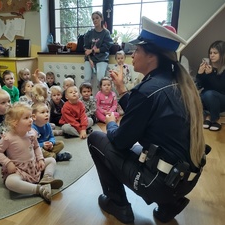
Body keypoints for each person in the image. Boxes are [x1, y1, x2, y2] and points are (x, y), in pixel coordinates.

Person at [87, 16, 208, 224]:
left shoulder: (148, 91)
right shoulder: (176, 82)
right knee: (139, 151)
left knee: (96, 139)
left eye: (137, 51)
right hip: (183, 180)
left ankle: (119, 205)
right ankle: (169, 206)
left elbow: (120, 141)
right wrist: (123, 90)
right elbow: (144, 111)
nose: (133, 55)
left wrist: (111, 124)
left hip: (158, 183)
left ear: (151, 55)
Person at [0, 102, 63, 203]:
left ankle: (47, 177)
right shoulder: (8, 138)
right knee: (10, 182)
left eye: (30, 117)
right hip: (18, 169)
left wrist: (40, 159)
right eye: (26, 118)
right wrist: (8, 163)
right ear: (14, 122)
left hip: (34, 165)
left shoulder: (32, 133)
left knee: (51, 160)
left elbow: (36, 147)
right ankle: (38, 189)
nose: (31, 120)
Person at [196, 40, 225, 131]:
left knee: (209, 94)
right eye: (210, 53)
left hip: (222, 100)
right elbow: (199, 87)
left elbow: (220, 88)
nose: (211, 55)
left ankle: (215, 119)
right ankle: (208, 116)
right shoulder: (208, 67)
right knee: (197, 96)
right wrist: (200, 74)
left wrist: (211, 74)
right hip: (209, 99)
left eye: (215, 53)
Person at [83, 11, 113, 86]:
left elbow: (105, 48)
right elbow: (86, 49)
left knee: (100, 79)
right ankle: (86, 96)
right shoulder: (89, 33)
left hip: (101, 58)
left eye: (97, 18)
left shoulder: (106, 33)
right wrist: (90, 60)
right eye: (93, 19)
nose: (95, 20)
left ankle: (101, 96)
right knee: (86, 79)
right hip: (90, 58)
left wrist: (93, 50)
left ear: (101, 18)